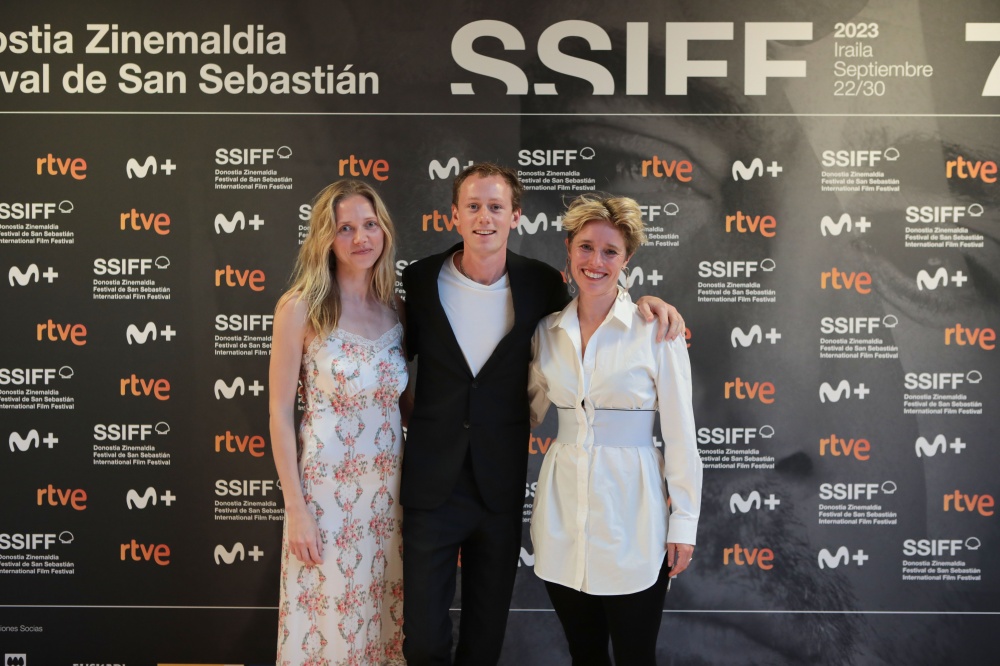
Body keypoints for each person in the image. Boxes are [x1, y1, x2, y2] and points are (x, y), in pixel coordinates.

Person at [400, 162, 685, 665]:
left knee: (487, 640)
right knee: (424, 641)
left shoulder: (542, 286)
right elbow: (391, 364)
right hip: (438, 483)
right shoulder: (421, 280)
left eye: (496, 206)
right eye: (473, 206)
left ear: (516, 216)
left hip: (509, 488)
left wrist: (653, 305)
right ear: (453, 215)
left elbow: (599, 306)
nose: (484, 217)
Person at [527, 194, 702, 665]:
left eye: (610, 251)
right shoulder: (546, 333)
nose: (596, 261)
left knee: (635, 655)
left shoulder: (656, 330)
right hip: (562, 515)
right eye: (586, 247)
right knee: (584, 653)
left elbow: (681, 435)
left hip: (635, 518)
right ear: (568, 249)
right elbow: (523, 413)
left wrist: (684, 522)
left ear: (628, 259)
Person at [269, 180, 409, 665]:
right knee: (325, 628)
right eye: (345, 228)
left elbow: (406, 405)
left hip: (387, 500)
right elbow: (279, 413)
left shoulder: (396, 309)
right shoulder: (299, 308)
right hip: (325, 500)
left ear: (384, 230)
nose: (360, 238)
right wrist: (297, 510)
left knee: (379, 626)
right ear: (325, 238)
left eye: (370, 224)